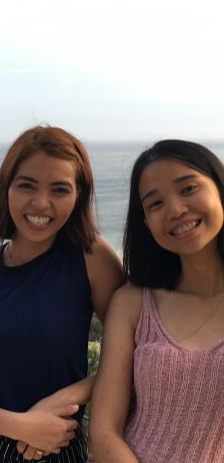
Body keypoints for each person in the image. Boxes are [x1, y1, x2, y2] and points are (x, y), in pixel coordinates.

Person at [0, 126, 124, 462]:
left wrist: (67, 398)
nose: (40, 203)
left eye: (60, 190)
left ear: (79, 197)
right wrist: (20, 426)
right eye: (26, 185)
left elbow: (134, 354)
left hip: (51, 446)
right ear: (6, 188)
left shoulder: (92, 259)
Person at [89, 140, 224, 463]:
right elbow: (104, 430)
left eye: (188, 188)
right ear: (145, 223)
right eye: (155, 204)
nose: (176, 210)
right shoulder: (134, 302)